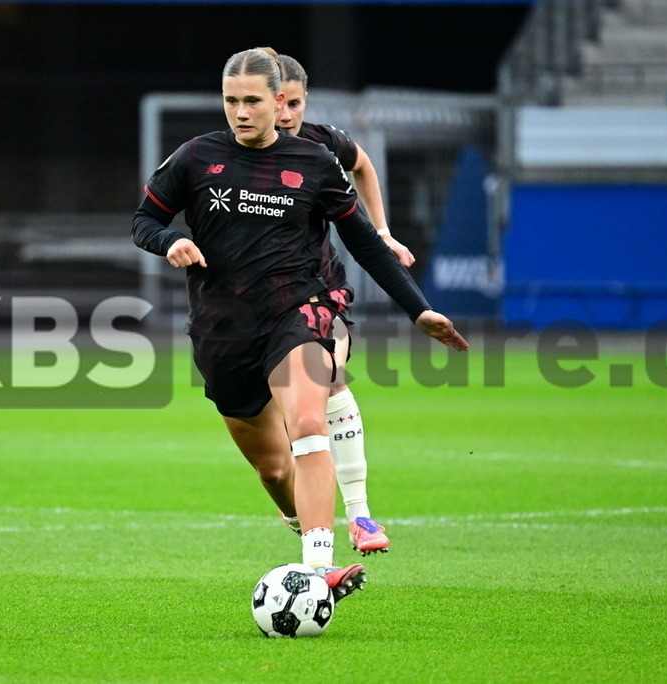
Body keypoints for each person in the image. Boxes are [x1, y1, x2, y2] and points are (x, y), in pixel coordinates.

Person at [132, 48, 468, 601]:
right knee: (271, 469)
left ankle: (318, 567)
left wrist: (418, 309)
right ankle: (301, 520)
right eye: (231, 101)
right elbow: (144, 220)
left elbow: (364, 242)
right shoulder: (196, 157)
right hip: (223, 328)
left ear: (278, 99)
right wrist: (170, 241)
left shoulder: (314, 160)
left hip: (300, 310)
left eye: (252, 101)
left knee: (309, 420)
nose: (241, 112)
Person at [268, 48, 412, 556]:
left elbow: (363, 165)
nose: (286, 115)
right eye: (278, 103)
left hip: (319, 290)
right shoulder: (231, 153)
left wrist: (382, 230)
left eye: (295, 103)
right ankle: (297, 506)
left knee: (329, 381)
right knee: (274, 444)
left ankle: (360, 516)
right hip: (254, 303)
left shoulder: (321, 144)